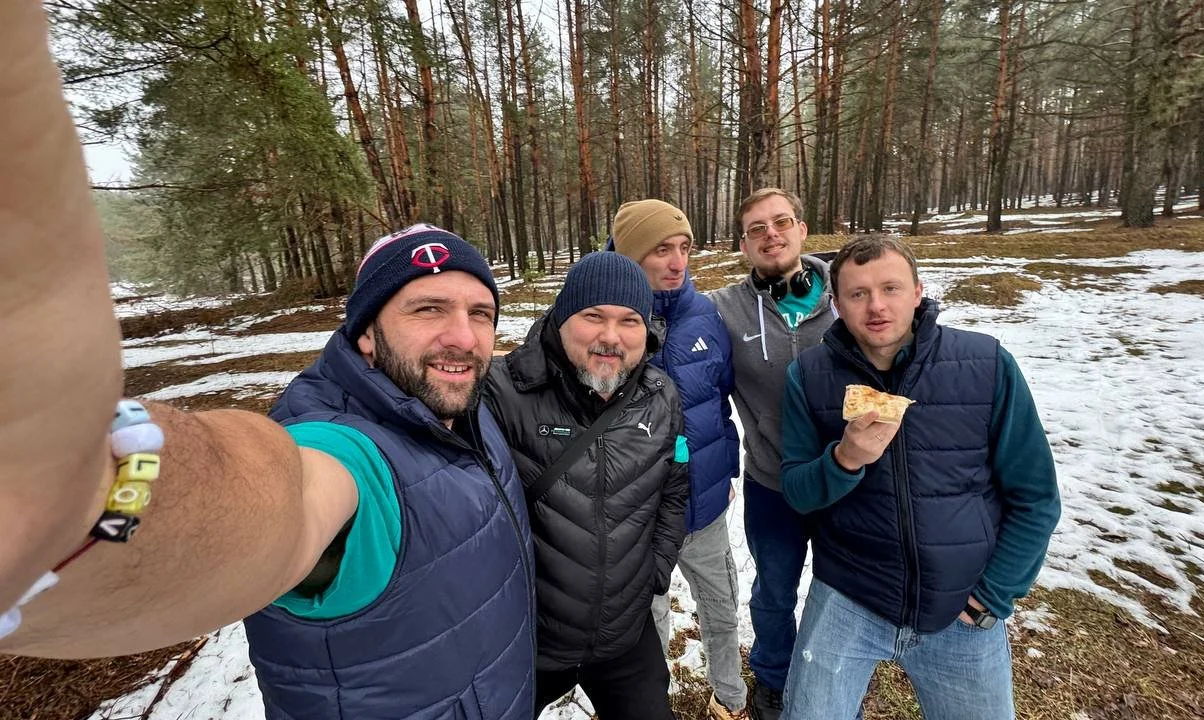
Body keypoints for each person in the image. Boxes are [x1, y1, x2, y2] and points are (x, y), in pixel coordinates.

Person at [0, 12, 536, 711]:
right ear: (366, 336)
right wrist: (75, 501)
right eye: (426, 310)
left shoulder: (464, 408)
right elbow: (276, 503)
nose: (462, 337)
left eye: (480, 314)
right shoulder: (345, 452)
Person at [777, 235, 1061, 720]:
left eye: (890, 288)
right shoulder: (810, 374)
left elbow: (1035, 497)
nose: (876, 307)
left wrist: (993, 595)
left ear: (917, 291)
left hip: (961, 604)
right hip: (850, 594)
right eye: (858, 294)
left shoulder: (985, 365)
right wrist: (844, 459)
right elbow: (798, 492)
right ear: (836, 304)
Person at [484, 252, 689, 720]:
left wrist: (656, 570)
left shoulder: (661, 396)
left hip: (625, 635)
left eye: (629, 320)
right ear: (560, 318)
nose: (610, 337)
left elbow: (674, 488)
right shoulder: (502, 392)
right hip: (528, 642)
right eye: (592, 316)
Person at [610, 199, 747, 719]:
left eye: (684, 248)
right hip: (637, 513)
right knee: (648, 617)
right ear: (630, 255)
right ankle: (652, 704)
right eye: (661, 249)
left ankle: (731, 699)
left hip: (704, 503)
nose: (677, 261)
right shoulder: (604, 320)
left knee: (721, 605)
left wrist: (726, 469)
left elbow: (722, 399)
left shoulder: (705, 316)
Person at [707, 188, 832, 720]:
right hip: (771, 481)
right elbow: (655, 317)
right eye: (757, 228)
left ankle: (831, 679)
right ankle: (773, 680)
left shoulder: (847, 293)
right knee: (776, 591)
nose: (771, 234)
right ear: (743, 245)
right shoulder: (723, 309)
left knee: (839, 597)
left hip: (846, 481)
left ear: (803, 230)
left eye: (781, 222)